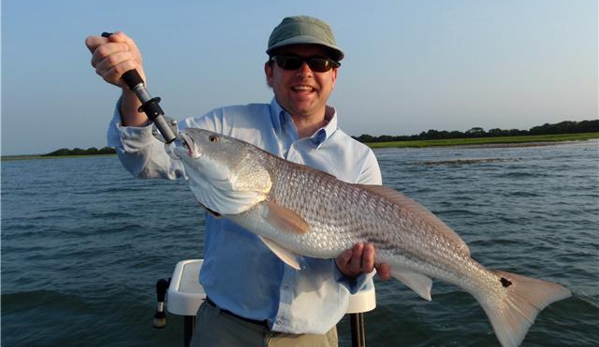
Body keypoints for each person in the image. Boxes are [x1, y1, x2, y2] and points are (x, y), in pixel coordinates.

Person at [86, 15, 390, 347]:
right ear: (269, 72)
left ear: (333, 74)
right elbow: (145, 159)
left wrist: (352, 270)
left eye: (319, 62)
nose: (305, 72)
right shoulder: (224, 126)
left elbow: (365, 268)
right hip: (223, 329)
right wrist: (134, 89)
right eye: (290, 61)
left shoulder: (360, 159)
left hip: (311, 337)